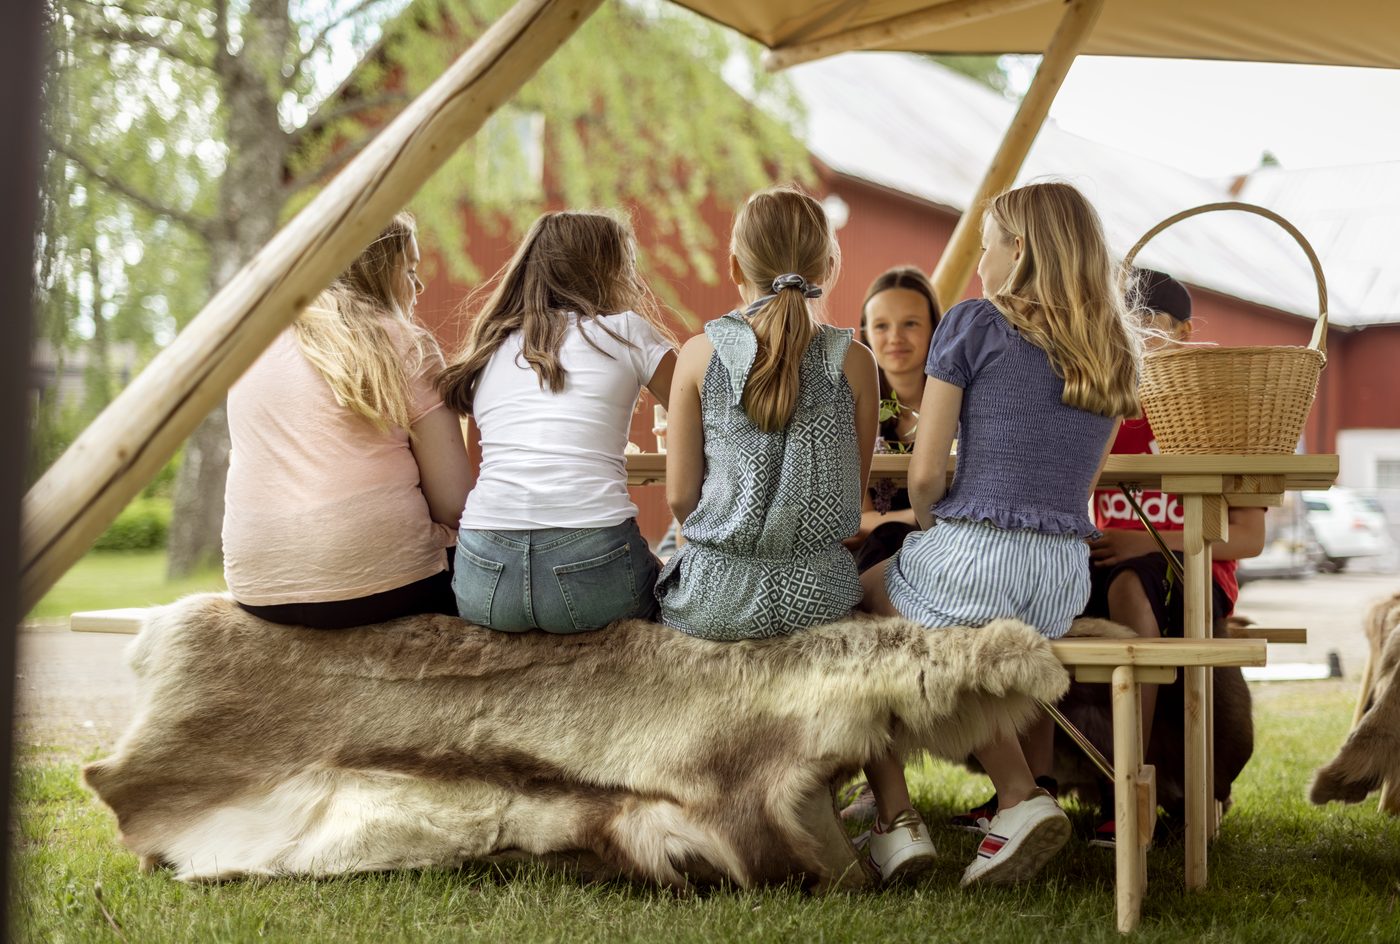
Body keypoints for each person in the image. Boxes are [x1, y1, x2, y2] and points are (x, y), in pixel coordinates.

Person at [858, 182, 1142, 886]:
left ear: (1017, 251)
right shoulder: (1112, 344)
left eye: (987, 244)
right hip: (1061, 577)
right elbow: (1077, 484)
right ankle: (1007, 794)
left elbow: (925, 473)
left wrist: (925, 523)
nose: (981, 259)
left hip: (979, 557)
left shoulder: (973, 324)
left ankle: (919, 805)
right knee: (958, 636)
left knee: (861, 599)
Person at [1076, 268, 1265, 844]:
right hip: (1113, 564)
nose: (1134, 332)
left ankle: (1131, 785)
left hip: (1194, 566)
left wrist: (1147, 541)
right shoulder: (1106, 416)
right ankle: (1035, 785)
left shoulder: (1214, 416)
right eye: (1123, 319)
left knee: (1132, 586)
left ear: (1184, 331)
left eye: (1149, 320)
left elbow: (1248, 538)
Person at [224, 212, 471, 629]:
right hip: (385, 585)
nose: (420, 285)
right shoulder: (406, 344)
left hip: (259, 587)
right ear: (375, 271)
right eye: (409, 270)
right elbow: (454, 504)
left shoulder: (250, 345)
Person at [655, 186, 879, 640]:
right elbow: (852, 492)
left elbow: (680, 498)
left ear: (735, 265)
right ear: (828, 268)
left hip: (715, 599)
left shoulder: (699, 356)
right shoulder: (855, 362)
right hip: (819, 598)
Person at [437, 211, 675, 633]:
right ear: (608, 271)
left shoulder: (490, 344)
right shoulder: (625, 332)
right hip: (590, 563)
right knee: (671, 576)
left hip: (484, 571)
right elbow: (714, 414)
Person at [850, 266, 941, 572]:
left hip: (951, 549)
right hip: (878, 556)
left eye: (910, 323)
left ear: (935, 328)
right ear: (865, 333)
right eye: (881, 326)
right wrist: (916, 519)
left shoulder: (963, 408)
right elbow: (853, 520)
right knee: (890, 537)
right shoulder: (852, 408)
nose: (895, 338)